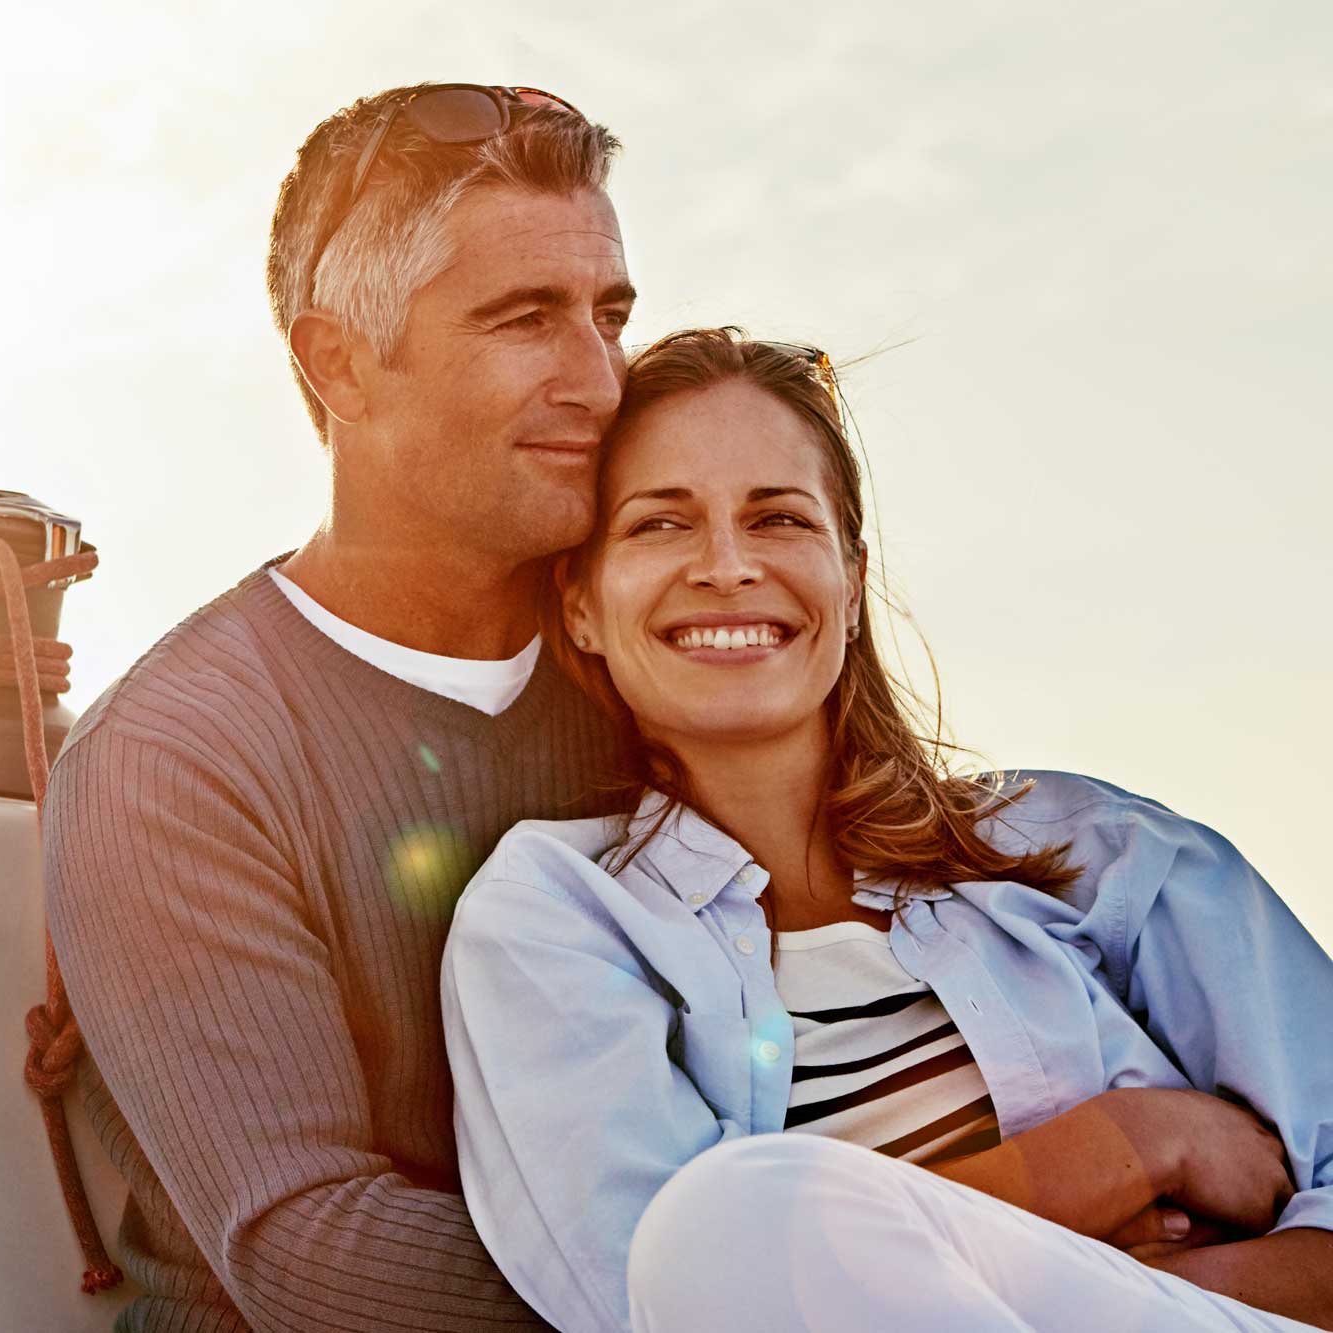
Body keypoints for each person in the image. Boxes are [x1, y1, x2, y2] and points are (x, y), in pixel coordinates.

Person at [441, 328, 1333, 1332]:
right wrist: (1123, 1147)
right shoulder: (554, 918)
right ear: (580, 607)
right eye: (660, 524)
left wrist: (1110, 1292)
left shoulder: (1098, 852)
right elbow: (673, 1292)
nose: (726, 566)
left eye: (778, 517)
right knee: (711, 1221)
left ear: (851, 581)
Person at [42, 83, 639, 1330]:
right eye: (525, 319)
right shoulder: (171, 757)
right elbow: (311, 1254)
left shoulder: (653, 674)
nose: (598, 380)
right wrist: (780, 1275)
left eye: (609, 315)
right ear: (341, 364)